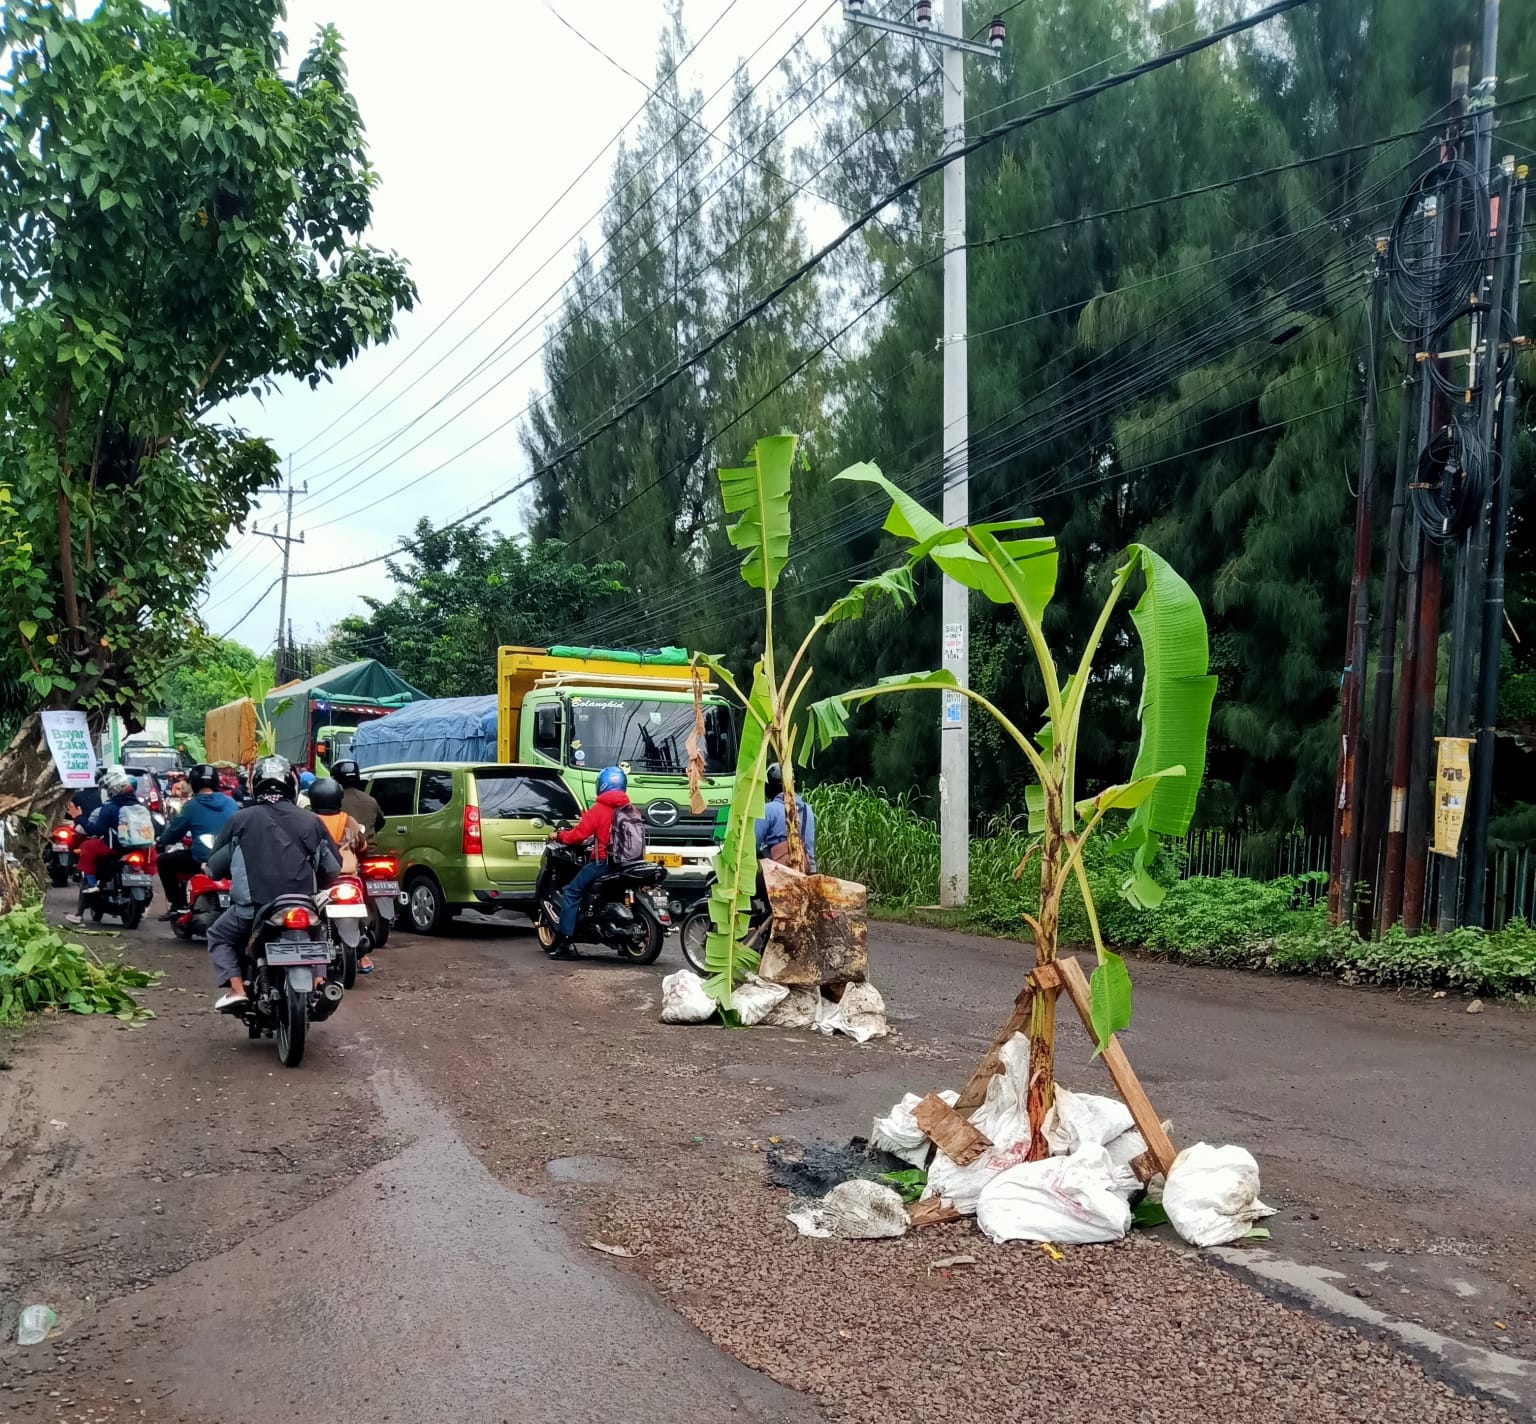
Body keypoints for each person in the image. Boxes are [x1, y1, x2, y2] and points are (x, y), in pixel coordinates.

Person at [203, 754, 341, 1012]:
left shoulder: (239, 820)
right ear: (293, 784)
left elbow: (213, 868)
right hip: (303, 907)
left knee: (218, 935)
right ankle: (320, 981)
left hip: (252, 911)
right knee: (318, 932)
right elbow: (332, 869)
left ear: (256, 784)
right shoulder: (312, 821)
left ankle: (237, 990)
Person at [547, 765, 631, 960]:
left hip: (604, 863)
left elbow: (578, 836)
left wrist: (558, 836)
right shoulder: (629, 807)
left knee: (571, 892)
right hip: (629, 862)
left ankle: (566, 943)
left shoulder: (599, 809)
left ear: (601, 785)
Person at [154, 764, 239, 919]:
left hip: (201, 860)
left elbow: (173, 832)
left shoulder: (191, 806)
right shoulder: (231, 803)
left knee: (164, 861)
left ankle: (178, 905)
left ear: (193, 783)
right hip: (230, 860)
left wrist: (161, 841)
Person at [309, 777, 376, 974]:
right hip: (348, 876)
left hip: (320, 878)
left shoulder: (309, 820)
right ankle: (362, 956)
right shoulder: (349, 820)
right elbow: (362, 846)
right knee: (361, 907)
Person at [66, 770, 143, 925]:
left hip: (113, 849)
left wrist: (79, 818)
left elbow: (96, 830)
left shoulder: (109, 808)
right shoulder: (139, 806)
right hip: (136, 848)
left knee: (87, 846)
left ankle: (91, 886)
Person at [754, 763, 817, 872]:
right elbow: (810, 851)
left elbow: (752, 844)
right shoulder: (807, 810)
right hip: (805, 872)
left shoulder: (768, 810)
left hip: (776, 875)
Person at [330, 760, 384, 835]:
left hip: (343, 846)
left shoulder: (331, 802)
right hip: (369, 845)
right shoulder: (371, 800)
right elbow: (380, 823)